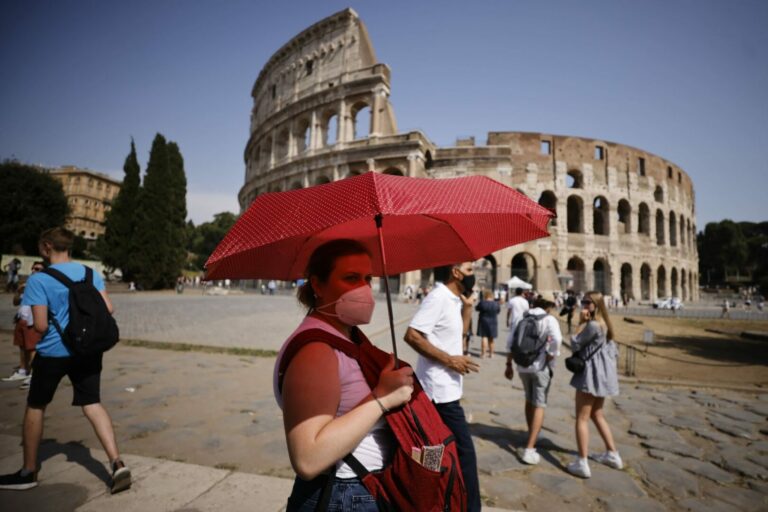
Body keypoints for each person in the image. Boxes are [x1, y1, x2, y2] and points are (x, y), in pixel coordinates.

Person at [274, 239, 414, 511]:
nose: (363, 288)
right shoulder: (315, 351)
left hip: (359, 488)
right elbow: (308, 458)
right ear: (318, 285)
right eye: (350, 278)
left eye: (367, 278)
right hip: (342, 494)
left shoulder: (345, 334)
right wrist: (382, 399)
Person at [0, 228, 131, 493]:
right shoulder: (90, 273)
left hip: (53, 353)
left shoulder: (39, 280)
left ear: (47, 247)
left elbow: (39, 326)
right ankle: (117, 463)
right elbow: (108, 309)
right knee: (92, 403)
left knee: (36, 406)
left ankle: (28, 471)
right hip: (88, 351)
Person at [404, 262, 482, 512]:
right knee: (464, 454)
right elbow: (412, 335)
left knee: (436, 452)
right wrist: (450, 360)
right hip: (437, 392)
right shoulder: (438, 297)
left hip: (447, 390)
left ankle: (436, 500)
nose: (474, 275)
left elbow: (457, 338)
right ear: (456, 273)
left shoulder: (455, 300)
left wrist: (468, 310)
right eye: (470, 270)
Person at [566, 291, 622, 479]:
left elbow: (574, 344)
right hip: (604, 375)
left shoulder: (593, 326)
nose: (583, 305)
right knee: (597, 414)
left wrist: (580, 323)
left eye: (587, 302)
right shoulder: (606, 324)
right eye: (583, 302)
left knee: (581, 418)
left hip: (590, 375)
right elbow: (614, 352)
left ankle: (582, 462)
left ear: (596, 304)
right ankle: (613, 454)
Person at [504, 293, 562, 465]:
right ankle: (530, 449)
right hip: (540, 366)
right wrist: (552, 355)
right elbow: (557, 339)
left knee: (529, 400)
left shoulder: (523, 317)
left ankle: (532, 433)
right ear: (549, 304)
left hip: (522, 366)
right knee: (539, 404)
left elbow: (510, 342)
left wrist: (508, 364)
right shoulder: (549, 319)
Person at [3, 262, 46, 389]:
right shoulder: (27, 285)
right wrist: (18, 291)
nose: (33, 270)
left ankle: (34, 376)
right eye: (33, 268)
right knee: (22, 347)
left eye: (37, 269)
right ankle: (23, 370)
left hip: (32, 321)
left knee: (32, 349)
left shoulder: (42, 286)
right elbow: (16, 302)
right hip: (21, 319)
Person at [476, 290, 501, 358]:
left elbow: (477, 308)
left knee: (484, 337)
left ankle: (483, 354)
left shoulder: (482, 303)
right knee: (491, 338)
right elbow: (498, 311)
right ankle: (491, 354)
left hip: (483, 321)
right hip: (493, 322)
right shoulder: (496, 304)